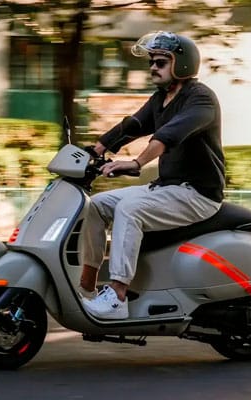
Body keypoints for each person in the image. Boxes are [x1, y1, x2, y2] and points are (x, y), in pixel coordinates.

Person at [78, 31, 225, 320]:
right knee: (96, 206)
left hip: (198, 193)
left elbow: (169, 135)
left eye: (160, 62)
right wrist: (93, 151)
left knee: (129, 209)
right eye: (151, 63)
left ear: (181, 64)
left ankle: (117, 295)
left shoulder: (201, 99)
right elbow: (133, 125)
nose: (153, 68)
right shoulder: (161, 98)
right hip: (167, 188)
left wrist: (137, 163)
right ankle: (86, 286)